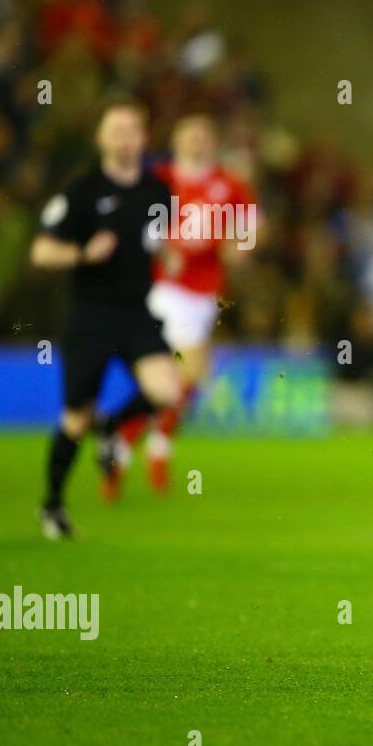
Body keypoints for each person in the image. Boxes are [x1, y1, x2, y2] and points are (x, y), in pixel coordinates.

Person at [29, 97, 181, 538]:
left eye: (132, 130)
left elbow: (156, 238)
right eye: (116, 131)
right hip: (90, 315)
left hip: (136, 312)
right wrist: (81, 252)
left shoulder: (157, 191)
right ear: (100, 139)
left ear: (143, 138)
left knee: (166, 390)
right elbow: (41, 250)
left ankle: (113, 428)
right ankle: (53, 504)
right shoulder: (81, 191)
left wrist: (167, 253)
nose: (125, 139)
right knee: (76, 416)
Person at [107, 113, 256, 496]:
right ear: (176, 141)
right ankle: (149, 447)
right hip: (165, 288)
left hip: (205, 291)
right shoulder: (160, 180)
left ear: (213, 142)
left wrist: (242, 245)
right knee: (181, 375)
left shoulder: (230, 185)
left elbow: (250, 228)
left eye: (204, 135)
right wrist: (160, 247)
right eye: (189, 135)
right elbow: (134, 222)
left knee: (183, 380)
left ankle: (125, 443)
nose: (197, 142)